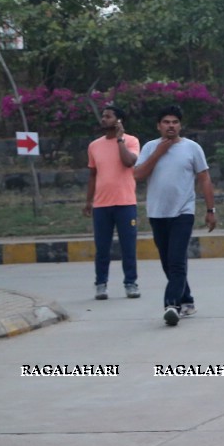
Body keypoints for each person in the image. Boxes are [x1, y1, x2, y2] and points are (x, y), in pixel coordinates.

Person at [133, 105, 216, 327]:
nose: (171, 126)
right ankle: (187, 299)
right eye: (166, 122)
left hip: (183, 211)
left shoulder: (192, 148)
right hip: (157, 213)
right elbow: (138, 175)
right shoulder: (150, 147)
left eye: (175, 122)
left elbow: (204, 178)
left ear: (180, 125)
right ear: (159, 126)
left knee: (177, 260)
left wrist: (210, 210)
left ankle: (172, 305)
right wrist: (159, 153)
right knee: (167, 262)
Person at [83, 105, 141, 300]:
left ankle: (130, 283)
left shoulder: (131, 141)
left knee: (128, 247)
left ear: (118, 121)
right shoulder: (94, 146)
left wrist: (120, 140)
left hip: (126, 203)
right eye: (103, 116)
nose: (103, 119)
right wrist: (88, 201)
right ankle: (101, 284)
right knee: (102, 247)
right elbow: (92, 175)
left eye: (108, 116)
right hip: (101, 205)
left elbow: (128, 162)